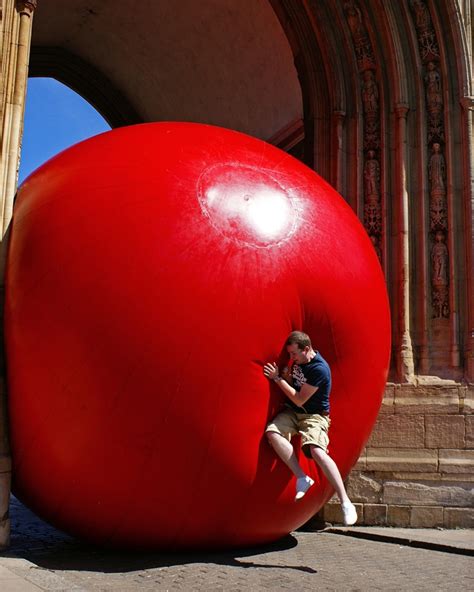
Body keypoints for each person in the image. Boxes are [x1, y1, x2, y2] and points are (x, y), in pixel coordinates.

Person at [263, 331, 358, 526]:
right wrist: (288, 378)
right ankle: (301, 477)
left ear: (307, 349)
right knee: (272, 432)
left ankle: (345, 502)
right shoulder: (300, 361)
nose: (292, 359)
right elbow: (296, 390)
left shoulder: (319, 369)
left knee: (316, 450)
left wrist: (277, 379)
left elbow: (299, 398)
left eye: (294, 354)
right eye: (290, 355)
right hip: (293, 412)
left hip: (314, 416)